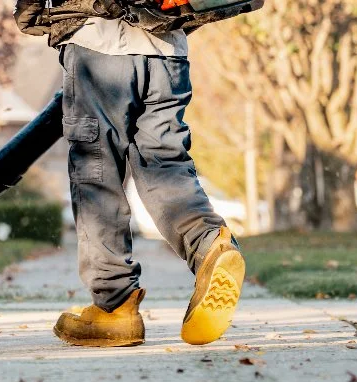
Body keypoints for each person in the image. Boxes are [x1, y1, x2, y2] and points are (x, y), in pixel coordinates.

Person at [16, 2, 248, 347]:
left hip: (98, 45)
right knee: (164, 162)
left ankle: (115, 306)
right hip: (166, 50)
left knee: (96, 169)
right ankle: (209, 244)